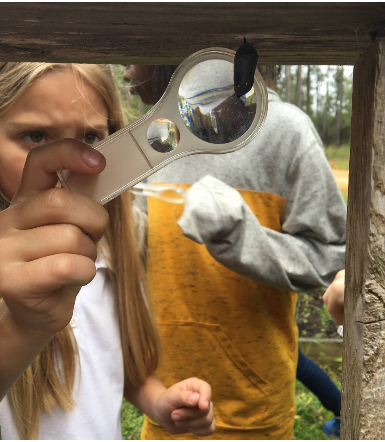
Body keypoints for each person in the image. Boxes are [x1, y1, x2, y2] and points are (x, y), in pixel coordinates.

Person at [124, 65, 347, 439]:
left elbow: (331, 257)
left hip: (254, 415)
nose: (127, 68)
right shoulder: (157, 133)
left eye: (136, 51)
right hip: (165, 404)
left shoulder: (284, 129)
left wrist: (242, 238)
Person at [0, 62, 215, 440]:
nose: (66, 166)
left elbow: (117, 368)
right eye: (35, 136)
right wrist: (21, 328)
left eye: (92, 138)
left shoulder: (110, 252)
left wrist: (157, 400)